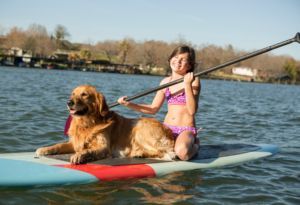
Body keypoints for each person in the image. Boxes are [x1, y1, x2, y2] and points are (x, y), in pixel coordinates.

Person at [118, 45, 201, 160]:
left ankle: (196, 145)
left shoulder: (193, 81)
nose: (178, 61)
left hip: (185, 129)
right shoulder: (165, 82)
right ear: (170, 59)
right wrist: (129, 104)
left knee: (182, 153)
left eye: (183, 60)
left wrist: (187, 84)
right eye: (176, 57)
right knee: (142, 146)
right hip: (166, 128)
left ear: (190, 65)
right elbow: (153, 109)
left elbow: (192, 111)